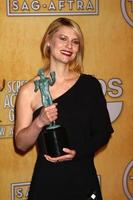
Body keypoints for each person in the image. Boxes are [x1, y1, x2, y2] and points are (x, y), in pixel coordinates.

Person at [14, 17, 114, 200]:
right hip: (47, 185)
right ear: (48, 42)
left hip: (83, 180)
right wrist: (39, 122)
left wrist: (78, 153)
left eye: (75, 42)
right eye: (63, 38)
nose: (69, 45)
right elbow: (21, 144)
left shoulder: (90, 85)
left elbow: (103, 132)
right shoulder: (29, 91)